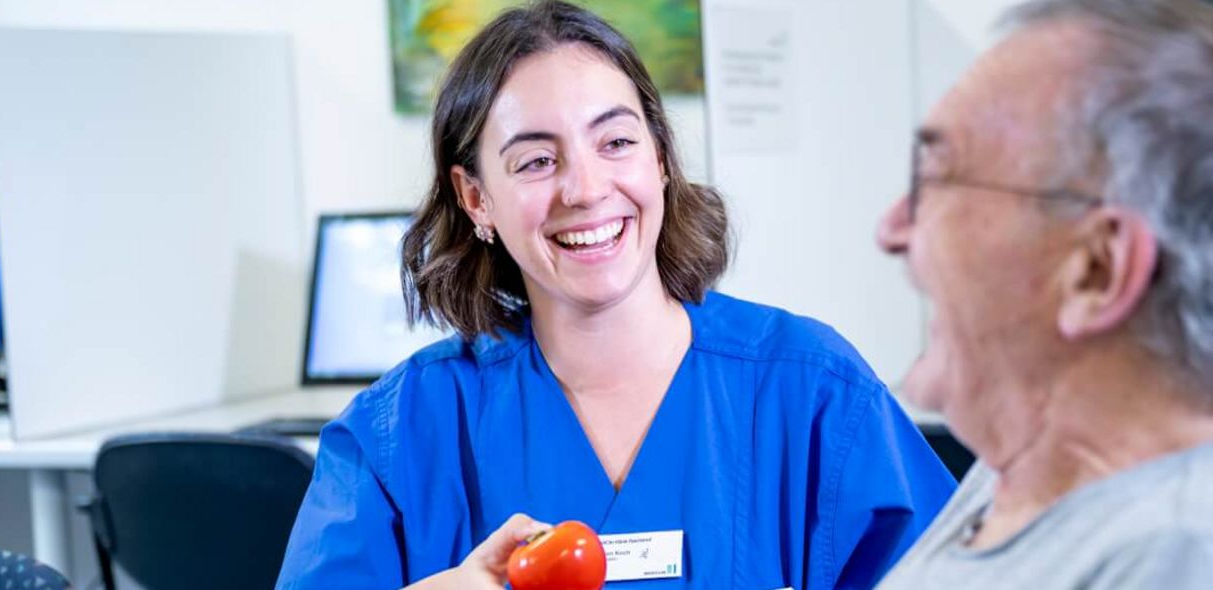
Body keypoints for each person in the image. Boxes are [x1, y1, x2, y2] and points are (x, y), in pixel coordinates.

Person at [277, 2, 955, 588]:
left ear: (659, 159)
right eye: (537, 160)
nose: (586, 189)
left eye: (616, 142)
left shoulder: (812, 394)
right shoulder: (401, 436)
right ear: (475, 196)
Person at [873, 0, 1213, 587]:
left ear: (1096, 271)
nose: (892, 228)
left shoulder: (1171, 555)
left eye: (937, 178)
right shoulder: (1015, 476)